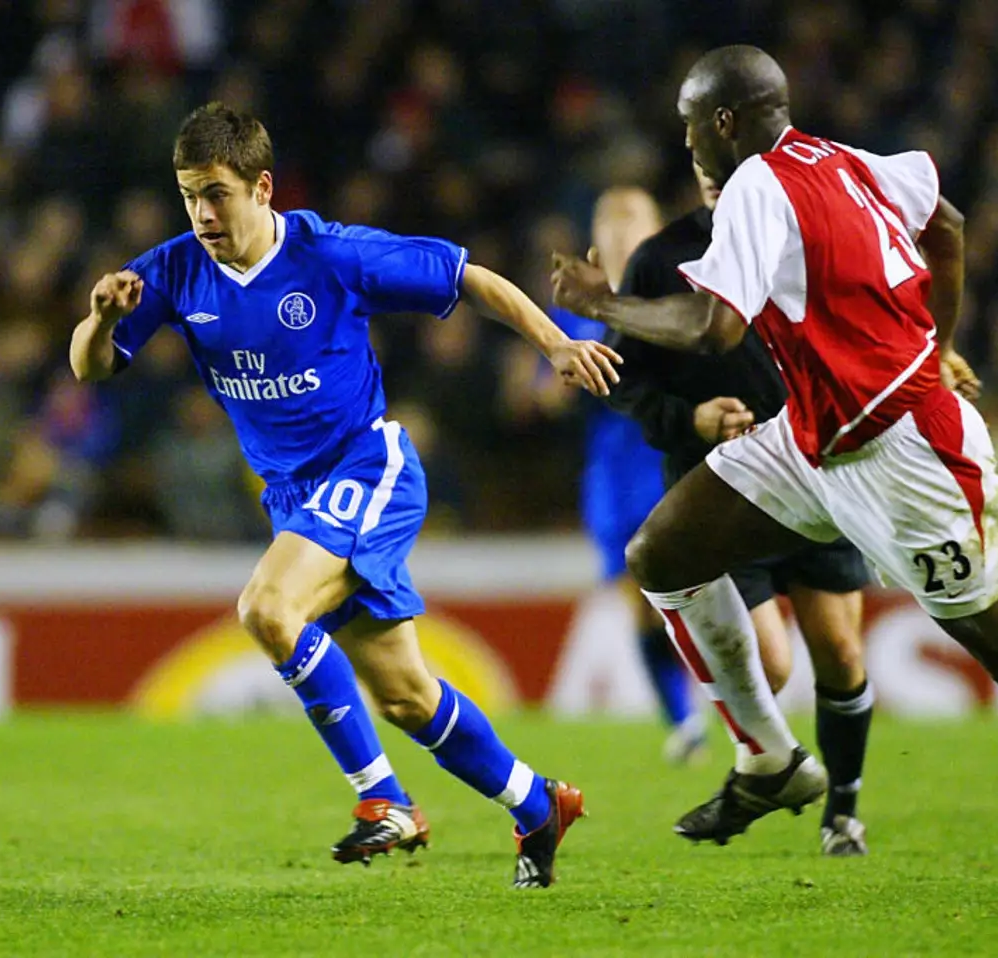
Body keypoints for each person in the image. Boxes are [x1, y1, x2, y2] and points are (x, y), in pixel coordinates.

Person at [550, 45, 998, 847]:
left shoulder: (753, 184)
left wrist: (608, 306)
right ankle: (769, 759)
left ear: (722, 121)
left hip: (906, 454)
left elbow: (715, 327)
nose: (685, 145)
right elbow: (945, 224)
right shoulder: (844, 158)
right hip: (812, 439)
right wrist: (939, 338)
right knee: (663, 554)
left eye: (688, 127)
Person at [71, 103, 621, 887]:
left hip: (367, 468)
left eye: (217, 193)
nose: (202, 213)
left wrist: (558, 343)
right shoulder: (172, 271)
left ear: (262, 188)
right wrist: (99, 320)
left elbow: (470, 277)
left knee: (266, 609)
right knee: (403, 695)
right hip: (294, 498)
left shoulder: (332, 253)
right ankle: (537, 803)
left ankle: (383, 801)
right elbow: (90, 369)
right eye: (189, 193)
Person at [605, 162, 875, 856]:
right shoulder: (660, 260)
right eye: (698, 160)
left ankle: (842, 810)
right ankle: (770, 767)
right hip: (719, 489)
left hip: (816, 469)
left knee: (840, 653)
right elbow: (625, 383)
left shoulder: (812, 237)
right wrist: (690, 419)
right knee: (770, 663)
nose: (714, 173)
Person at [548, 187, 708, 765]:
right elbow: (549, 389)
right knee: (644, 603)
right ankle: (685, 721)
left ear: (657, 226)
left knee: (712, 589)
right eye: (607, 221)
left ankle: (734, 704)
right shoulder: (572, 305)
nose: (619, 231)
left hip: (687, 461)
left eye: (631, 219)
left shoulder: (688, 285)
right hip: (616, 478)